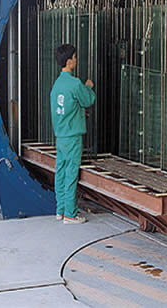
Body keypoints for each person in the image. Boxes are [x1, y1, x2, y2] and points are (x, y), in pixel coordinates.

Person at [50, 44, 95, 224]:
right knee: (71, 174)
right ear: (69, 62)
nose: (76, 60)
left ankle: (60, 209)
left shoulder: (57, 84)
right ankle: (70, 214)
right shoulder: (75, 83)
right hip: (73, 136)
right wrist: (88, 86)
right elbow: (88, 100)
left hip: (60, 136)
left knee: (60, 172)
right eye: (75, 57)